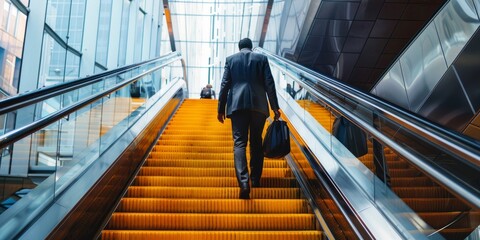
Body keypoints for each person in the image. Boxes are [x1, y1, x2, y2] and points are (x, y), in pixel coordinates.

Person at [217, 38, 281, 199]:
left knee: (239, 143)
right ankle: (255, 179)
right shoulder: (261, 59)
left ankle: (244, 182)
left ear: (239, 48)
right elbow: (269, 84)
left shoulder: (231, 60)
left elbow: (224, 85)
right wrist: (274, 107)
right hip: (258, 106)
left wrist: (220, 109)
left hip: (237, 106)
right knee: (256, 142)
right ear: (251, 48)